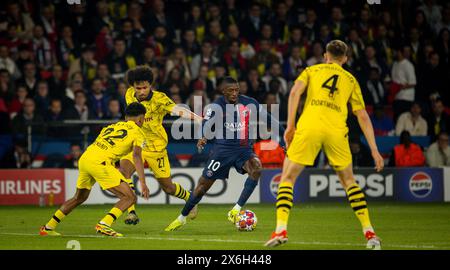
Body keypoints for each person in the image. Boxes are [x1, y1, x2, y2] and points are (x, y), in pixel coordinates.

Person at [264, 40, 384, 249]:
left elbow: (294, 93)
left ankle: (281, 229)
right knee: (349, 182)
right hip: (336, 130)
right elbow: (362, 115)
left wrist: (290, 126)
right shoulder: (351, 80)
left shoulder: (312, 70)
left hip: (310, 126)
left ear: (326, 56)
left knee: (287, 178)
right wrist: (374, 150)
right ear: (345, 59)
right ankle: (370, 234)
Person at [164, 77, 284, 231]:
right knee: (201, 188)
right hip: (222, 151)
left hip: (244, 150)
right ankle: (181, 218)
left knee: (257, 168)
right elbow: (206, 123)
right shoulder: (215, 107)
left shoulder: (250, 103)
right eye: (231, 91)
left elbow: (270, 120)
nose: (234, 93)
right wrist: (202, 136)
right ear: (223, 91)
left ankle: (235, 210)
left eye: (236, 90)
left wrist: (283, 138)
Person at [39, 102, 150, 237]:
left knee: (79, 197)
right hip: (100, 163)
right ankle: (104, 224)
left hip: (85, 158)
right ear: (140, 119)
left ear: (126, 117)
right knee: (130, 197)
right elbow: (137, 156)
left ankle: (48, 227)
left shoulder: (111, 127)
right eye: (143, 119)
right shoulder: (138, 132)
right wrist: (143, 182)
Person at [119, 66, 203, 225]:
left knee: (168, 188)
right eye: (138, 88)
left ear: (150, 85)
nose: (142, 91)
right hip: (137, 144)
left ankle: (190, 198)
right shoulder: (129, 94)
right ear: (133, 87)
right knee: (124, 171)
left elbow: (177, 110)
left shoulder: (160, 99)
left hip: (156, 148)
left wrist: (197, 118)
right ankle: (131, 212)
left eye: (145, 87)